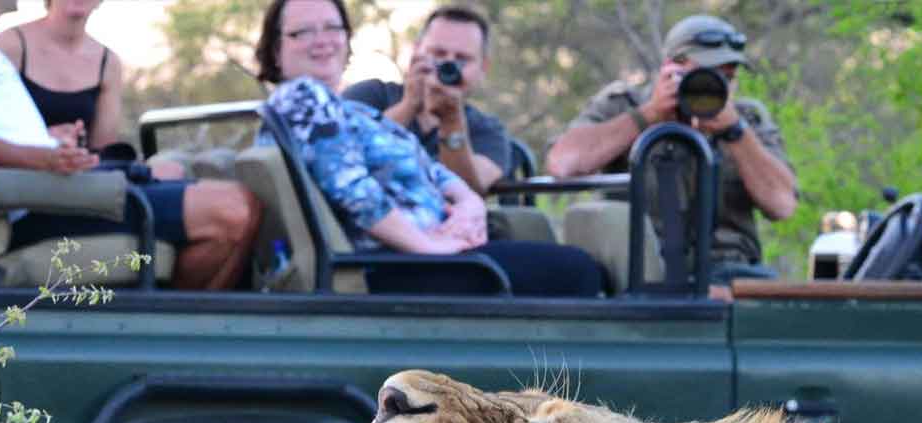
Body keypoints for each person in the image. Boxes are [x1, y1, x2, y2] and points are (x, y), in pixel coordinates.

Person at [254, 0, 604, 298]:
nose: (323, 41)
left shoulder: (350, 110)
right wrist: (430, 247)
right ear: (276, 50)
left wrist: (468, 205)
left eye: (332, 28)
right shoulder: (304, 98)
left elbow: (432, 167)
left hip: (430, 253)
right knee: (580, 271)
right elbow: (354, 190)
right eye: (303, 32)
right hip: (396, 264)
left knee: (568, 265)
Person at [0, 0, 261, 291]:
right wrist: (45, 159)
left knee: (208, 188)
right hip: (41, 199)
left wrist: (50, 141)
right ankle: (176, 335)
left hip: (55, 187)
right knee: (235, 210)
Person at [546, 14, 797, 273]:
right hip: (640, 273)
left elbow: (783, 205)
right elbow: (562, 163)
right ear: (671, 68)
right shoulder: (625, 105)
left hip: (730, 270)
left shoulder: (748, 120)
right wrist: (648, 116)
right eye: (706, 75)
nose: (716, 87)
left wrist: (736, 133)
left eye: (728, 78)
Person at [0, 0, 183, 178]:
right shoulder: (9, 45)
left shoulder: (108, 61)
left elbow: (102, 146)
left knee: (172, 171)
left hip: (84, 175)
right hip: (28, 176)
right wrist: (45, 138)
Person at [342, 6, 510, 196]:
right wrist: (408, 106)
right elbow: (342, 153)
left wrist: (451, 122)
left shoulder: (488, 131)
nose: (448, 65)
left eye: (462, 59)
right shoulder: (368, 96)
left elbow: (468, 190)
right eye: (438, 54)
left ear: (483, 67)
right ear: (417, 51)